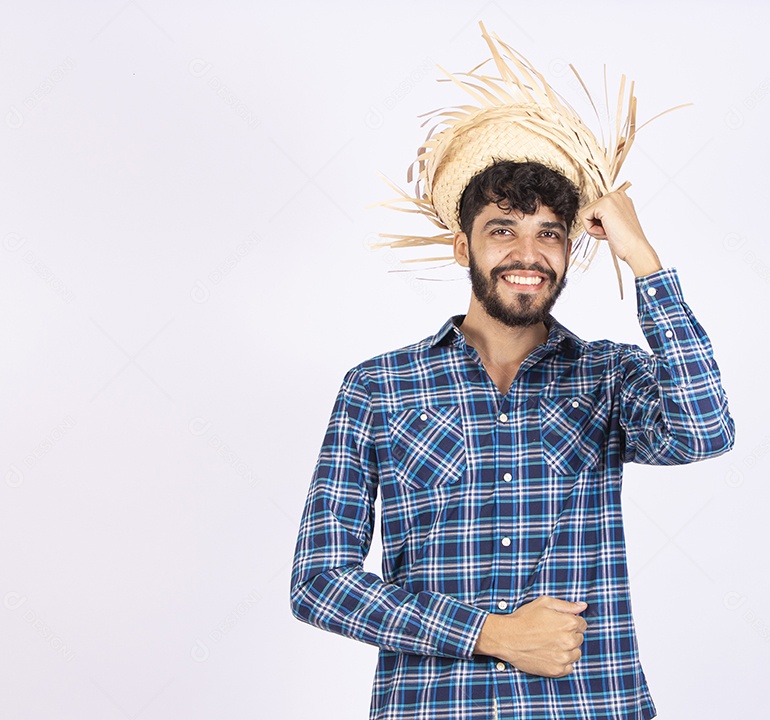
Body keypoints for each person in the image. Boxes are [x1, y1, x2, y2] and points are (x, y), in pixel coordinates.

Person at [291, 26, 734, 720]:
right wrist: (491, 635)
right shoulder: (377, 388)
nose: (528, 253)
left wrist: (643, 256)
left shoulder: (608, 377)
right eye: (504, 229)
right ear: (463, 242)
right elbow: (319, 582)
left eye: (549, 233)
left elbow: (704, 430)